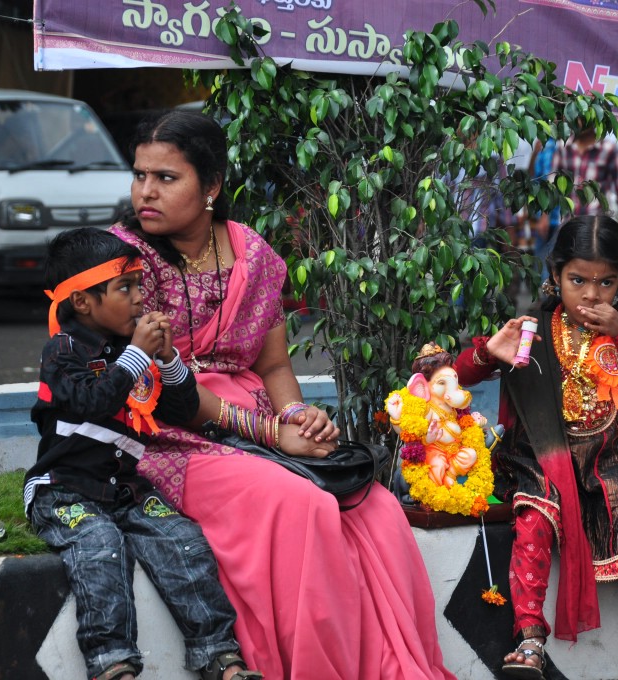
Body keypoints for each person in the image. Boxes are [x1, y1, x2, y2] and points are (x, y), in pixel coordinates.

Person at [108, 109, 455, 680]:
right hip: (164, 429)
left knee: (377, 508)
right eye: (140, 175)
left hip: (253, 414)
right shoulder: (121, 260)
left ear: (212, 186)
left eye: (166, 178)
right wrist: (275, 433)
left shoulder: (255, 256)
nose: (146, 192)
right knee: (304, 505)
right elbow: (167, 391)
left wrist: (300, 414)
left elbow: (272, 365)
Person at [454, 216, 618, 680]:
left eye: (606, 282)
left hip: (611, 454)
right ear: (555, 276)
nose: (592, 294)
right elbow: (460, 375)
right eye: (578, 281)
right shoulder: (532, 329)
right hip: (540, 456)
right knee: (533, 520)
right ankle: (528, 643)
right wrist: (490, 351)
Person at [24, 227, 260, 680]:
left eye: (138, 286)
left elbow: (184, 409)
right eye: (125, 288)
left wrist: (168, 361)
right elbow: (92, 401)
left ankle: (219, 655)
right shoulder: (62, 352)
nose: (139, 299)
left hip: (125, 489)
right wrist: (135, 356)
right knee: (100, 547)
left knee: (182, 540)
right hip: (65, 490)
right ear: (83, 302)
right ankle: (111, 663)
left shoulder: (134, 349)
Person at [552, 128, 618, 247]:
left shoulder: (608, 149)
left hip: (597, 225)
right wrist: (544, 218)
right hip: (569, 223)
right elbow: (551, 184)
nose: (580, 122)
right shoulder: (563, 146)